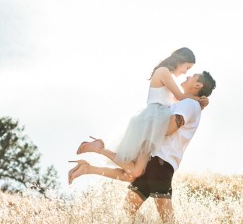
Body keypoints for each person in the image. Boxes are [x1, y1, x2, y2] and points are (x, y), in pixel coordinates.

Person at [68, 71, 216, 222]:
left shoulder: (189, 104)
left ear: (198, 85)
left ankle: (93, 160)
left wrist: (145, 130)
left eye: (192, 76)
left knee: (149, 216)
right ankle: (93, 160)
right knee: (147, 217)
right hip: (156, 163)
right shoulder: (186, 103)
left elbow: (171, 127)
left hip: (159, 163)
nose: (187, 76)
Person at [75, 48, 208, 179]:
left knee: (133, 175)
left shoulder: (167, 76)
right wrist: (199, 99)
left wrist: (198, 105)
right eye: (187, 67)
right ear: (181, 60)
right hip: (151, 123)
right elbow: (179, 96)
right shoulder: (163, 71)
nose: (185, 72)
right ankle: (99, 148)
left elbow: (178, 104)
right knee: (136, 172)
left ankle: (87, 168)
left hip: (155, 124)